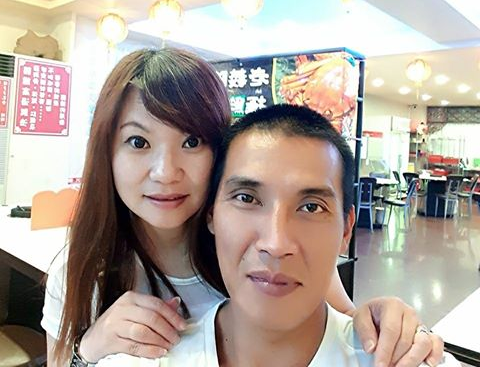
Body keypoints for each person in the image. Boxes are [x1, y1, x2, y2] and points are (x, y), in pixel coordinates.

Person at [42, 48, 443, 366]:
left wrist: (391, 324)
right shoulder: (82, 273)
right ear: (107, 152)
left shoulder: (258, 252)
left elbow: (346, 332)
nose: (164, 172)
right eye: (138, 142)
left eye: (191, 142)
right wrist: (88, 352)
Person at [98, 104, 457, 366]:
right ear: (211, 214)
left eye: (311, 207)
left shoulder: (403, 360)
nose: (276, 243)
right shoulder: (140, 359)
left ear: (346, 228)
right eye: (247, 198)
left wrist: (389, 327)